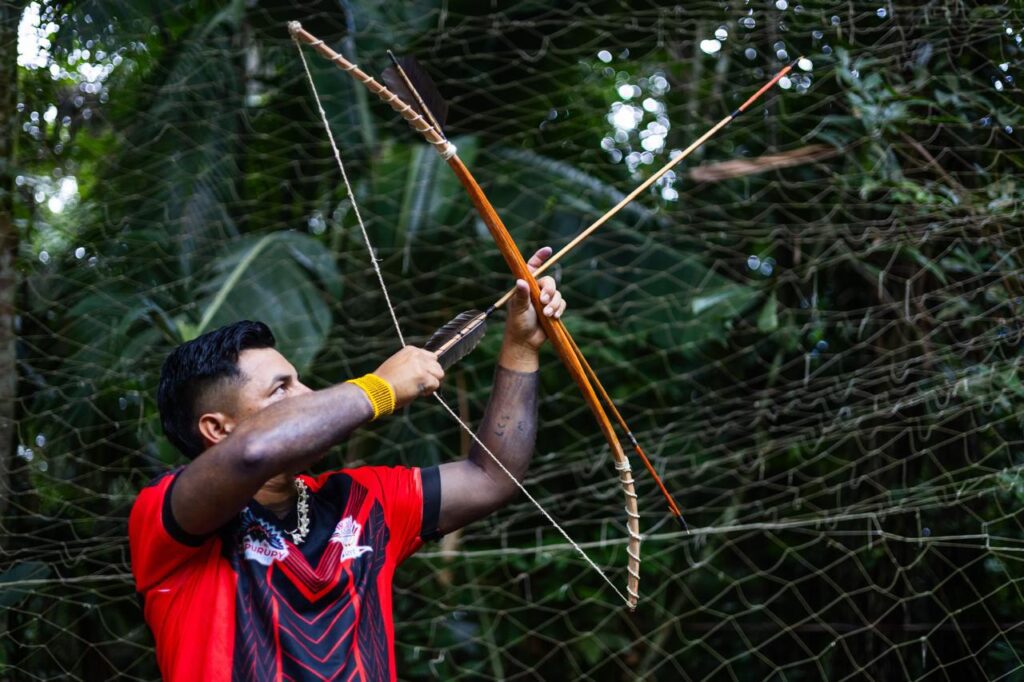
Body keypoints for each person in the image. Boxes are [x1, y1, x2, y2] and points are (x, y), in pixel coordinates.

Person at [128, 248, 565, 681]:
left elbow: (491, 478)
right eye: (281, 389)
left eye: (300, 380)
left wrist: (521, 345)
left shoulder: (363, 499)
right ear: (217, 429)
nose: (309, 394)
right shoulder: (169, 514)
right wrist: (379, 389)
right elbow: (252, 452)